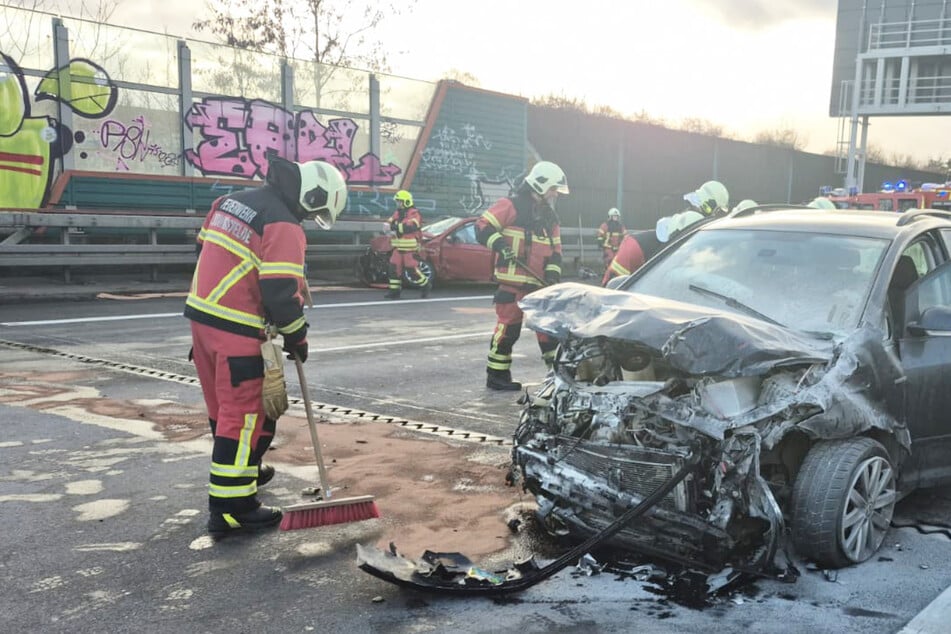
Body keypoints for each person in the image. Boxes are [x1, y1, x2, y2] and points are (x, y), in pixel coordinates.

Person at [184, 157, 348, 538]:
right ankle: (232, 509)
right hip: (237, 329)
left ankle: (246, 470)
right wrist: (297, 337)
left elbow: (207, 252)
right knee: (246, 417)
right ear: (312, 195)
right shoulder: (285, 224)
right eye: (316, 210)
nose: (310, 218)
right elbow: (278, 292)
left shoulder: (229, 202)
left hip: (202, 320)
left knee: (222, 410)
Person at [476, 160, 568, 391]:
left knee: (549, 334)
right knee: (508, 332)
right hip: (512, 286)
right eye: (553, 189)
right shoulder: (511, 206)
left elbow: (556, 252)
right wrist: (499, 244)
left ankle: (558, 379)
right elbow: (482, 226)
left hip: (540, 287)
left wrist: (552, 276)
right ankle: (496, 377)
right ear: (541, 185)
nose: (555, 194)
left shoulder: (551, 218)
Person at [602, 180, 730, 287]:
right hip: (632, 254)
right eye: (716, 210)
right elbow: (609, 293)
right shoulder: (634, 246)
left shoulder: (699, 229)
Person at [385, 189, 431, 299]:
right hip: (398, 247)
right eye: (397, 202)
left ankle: (425, 285)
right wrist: (388, 225)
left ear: (406, 202)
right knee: (393, 269)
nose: (398, 204)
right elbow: (389, 222)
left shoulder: (414, 213)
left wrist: (394, 226)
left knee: (411, 271)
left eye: (400, 201)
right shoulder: (397, 213)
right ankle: (394, 291)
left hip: (409, 248)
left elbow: (409, 227)